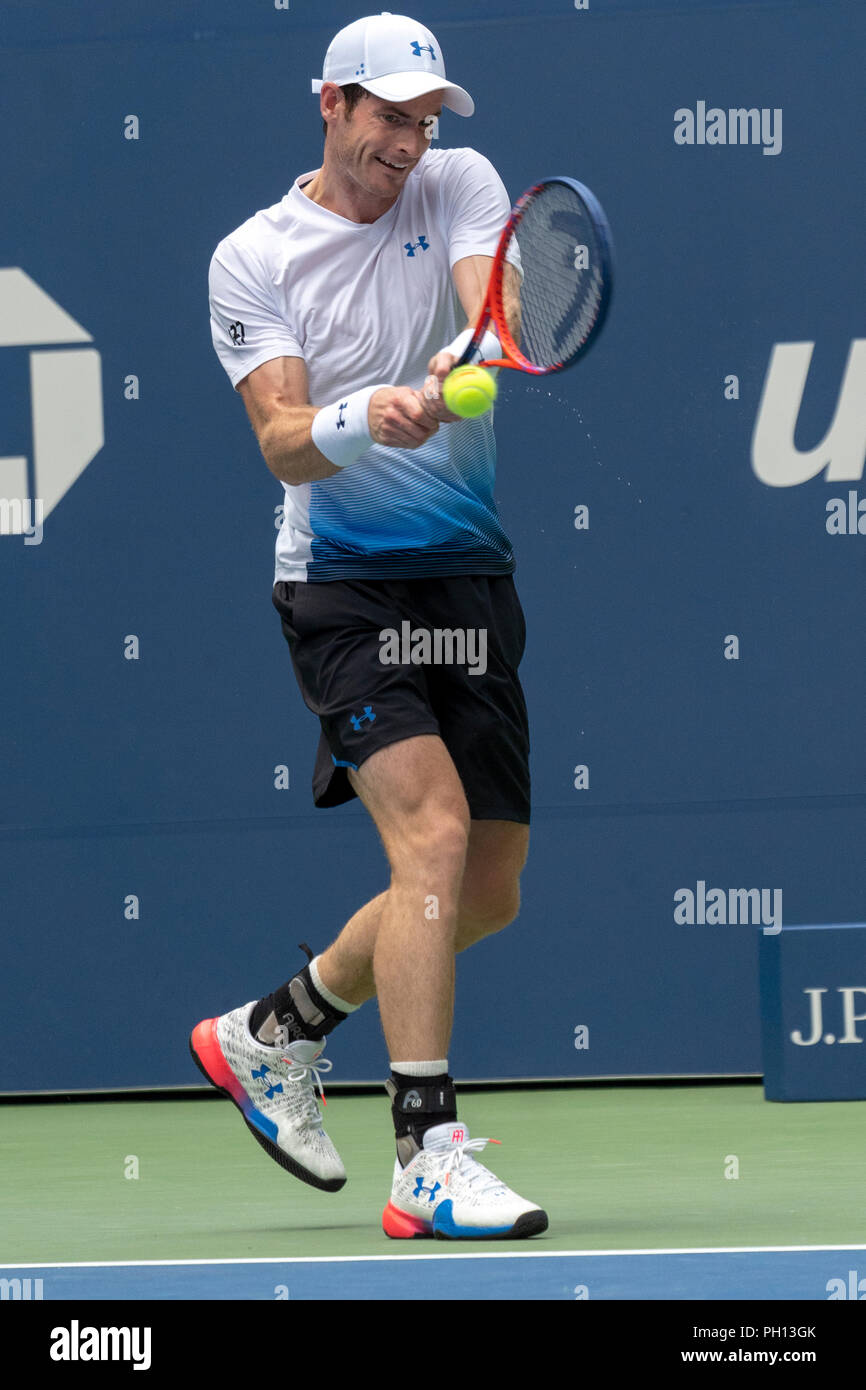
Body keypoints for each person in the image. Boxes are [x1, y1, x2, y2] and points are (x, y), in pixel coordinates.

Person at [193, 11, 546, 1240]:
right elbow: (282, 438)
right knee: (432, 837)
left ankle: (276, 1028)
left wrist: (453, 360)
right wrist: (363, 418)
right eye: (388, 115)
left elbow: (477, 305)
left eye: (423, 116)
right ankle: (426, 1153)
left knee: (479, 887)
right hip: (339, 584)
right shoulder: (253, 256)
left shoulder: (457, 180)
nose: (410, 140)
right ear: (330, 103)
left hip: (464, 570)